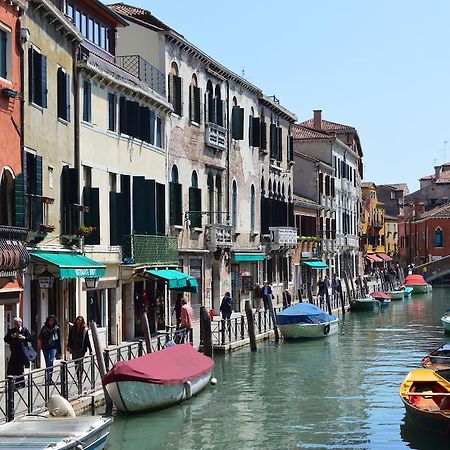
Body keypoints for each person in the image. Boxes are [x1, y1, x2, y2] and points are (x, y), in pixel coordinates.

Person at [4, 317, 32, 388]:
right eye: (15, 323)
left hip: (22, 352)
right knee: (13, 368)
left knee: (20, 368)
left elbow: (30, 338)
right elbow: (5, 339)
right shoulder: (12, 331)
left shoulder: (24, 330)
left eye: (17, 323)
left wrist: (24, 337)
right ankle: (17, 383)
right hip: (14, 352)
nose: (16, 324)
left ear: (20, 323)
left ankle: (20, 383)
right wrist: (12, 337)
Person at [68, 316, 92, 383]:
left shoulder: (84, 329)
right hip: (74, 348)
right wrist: (68, 346)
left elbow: (87, 340)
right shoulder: (72, 328)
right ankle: (78, 376)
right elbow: (69, 338)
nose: (79, 321)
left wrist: (90, 350)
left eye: (80, 320)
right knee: (76, 363)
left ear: (82, 321)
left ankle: (80, 376)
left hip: (82, 349)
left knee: (80, 362)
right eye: (78, 320)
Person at [39, 315, 61, 381]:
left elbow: (58, 339)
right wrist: (39, 344)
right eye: (50, 320)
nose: (51, 322)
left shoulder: (56, 328)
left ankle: (49, 376)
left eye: (52, 320)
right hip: (45, 346)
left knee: (51, 361)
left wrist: (59, 351)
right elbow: (40, 336)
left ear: (54, 321)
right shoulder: (44, 327)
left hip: (53, 347)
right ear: (48, 321)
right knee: (47, 362)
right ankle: (48, 376)